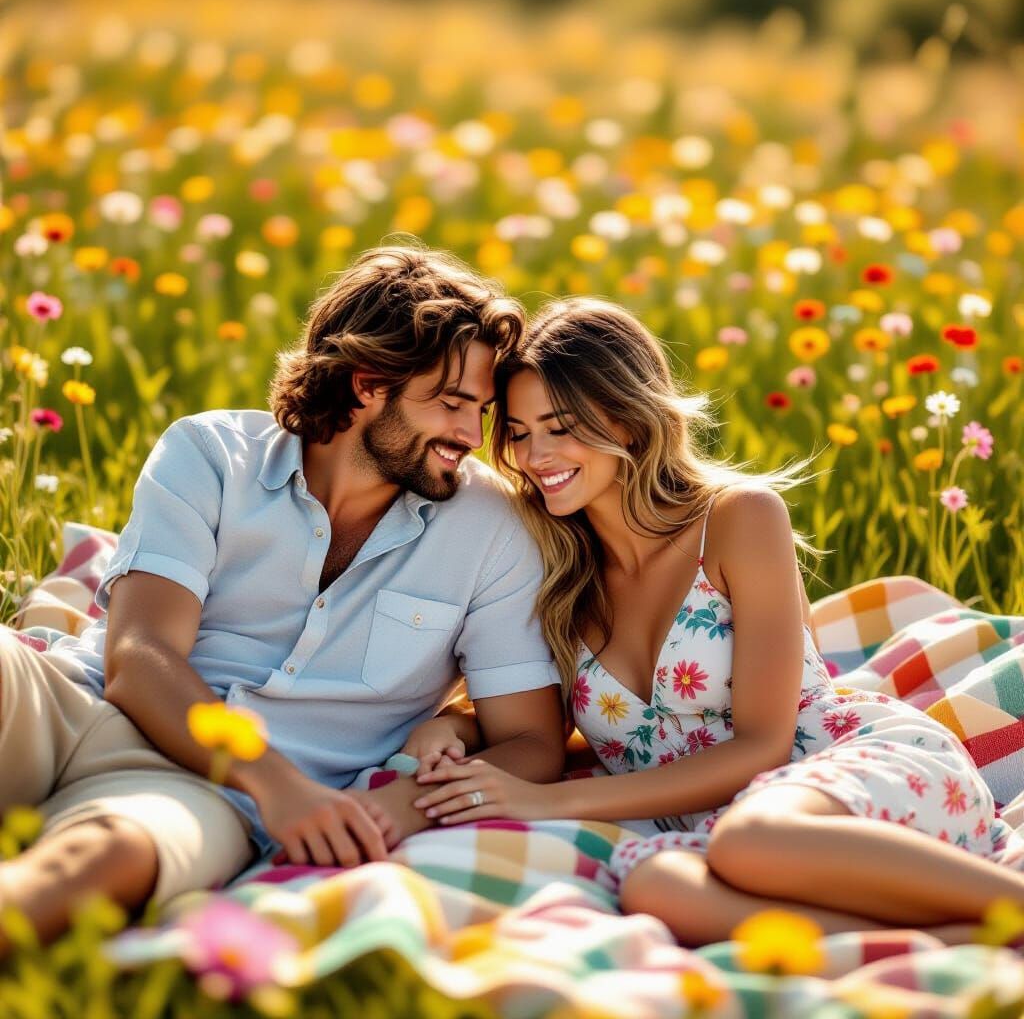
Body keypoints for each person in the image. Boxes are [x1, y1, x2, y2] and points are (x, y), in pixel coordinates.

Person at [410, 296, 1024, 946]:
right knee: (657, 887)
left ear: (626, 419)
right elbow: (545, 726)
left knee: (754, 839)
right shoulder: (559, 577)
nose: (537, 455)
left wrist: (548, 803)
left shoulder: (738, 519)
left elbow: (764, 744)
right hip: (715, 827)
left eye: (561, 427)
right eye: (519, 432)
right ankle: (967, 940)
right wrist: (454, 726)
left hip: (834, 779)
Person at [0, 246, 565, 948]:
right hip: (72, 702)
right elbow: (138, 657)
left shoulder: (493, 530)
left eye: (481, 410)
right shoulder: (212, 452)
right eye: (451, 404)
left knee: (98, 861)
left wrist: (392, 807)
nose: (469, 437)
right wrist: (278, 783)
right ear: (367, 385)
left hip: (209, 796)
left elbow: (532, 742)